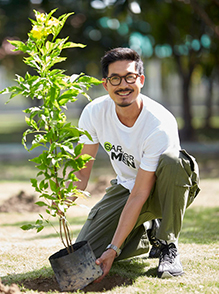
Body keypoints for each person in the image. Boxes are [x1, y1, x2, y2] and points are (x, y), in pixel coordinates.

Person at [72, 47, 200, 280]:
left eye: (130, 77)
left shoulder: (158, 123)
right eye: (115, 78)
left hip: (166, 189)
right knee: (87, 251)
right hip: (127, 187)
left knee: (173, 162)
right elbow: (82, 171)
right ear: (106, 84)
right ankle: (145, 231)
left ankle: (167, 244)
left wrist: (113, 248)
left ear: (140, 80)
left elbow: (141, 193)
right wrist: (63, 200)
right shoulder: (93, 113)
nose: (123, 85)